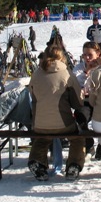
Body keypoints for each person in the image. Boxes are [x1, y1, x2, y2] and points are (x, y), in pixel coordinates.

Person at [28, 46, 85, 181]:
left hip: (39, 123)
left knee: (43, 138)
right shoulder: (66, 74)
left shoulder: (36, 74)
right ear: (61, 57)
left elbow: (32, 95)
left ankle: (37, 161)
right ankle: (74, 164)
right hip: (63, 124)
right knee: (78, 138)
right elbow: (77, 103)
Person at [73, 41, 101, 160]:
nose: (87, 58)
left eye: (90, 55)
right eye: (84, 55)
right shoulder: (79, 68)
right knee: (80, 116)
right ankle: (89, 143)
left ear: (98, 54)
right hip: (86, 101)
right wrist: (87, 71)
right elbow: (76, 82)